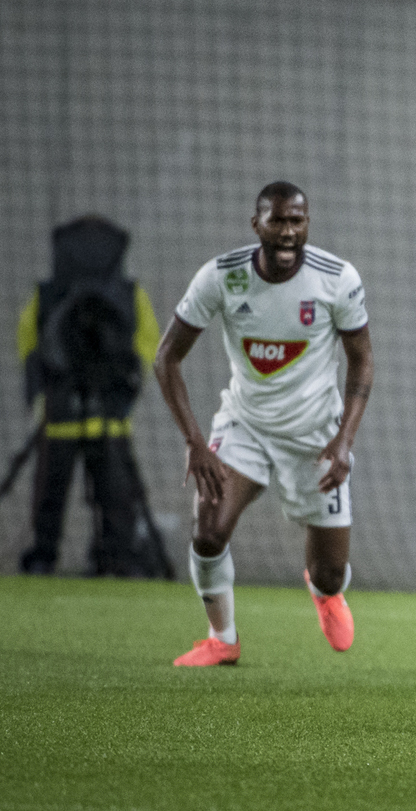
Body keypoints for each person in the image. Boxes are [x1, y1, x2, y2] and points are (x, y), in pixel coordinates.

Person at [153, 182, 374, 666]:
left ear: (307, 223)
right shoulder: (221, 276)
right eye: (278, 221)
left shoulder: (337, 278)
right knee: (208, 532)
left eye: (298, 220)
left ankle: (325, 591)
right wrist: (195, 441)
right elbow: (166, 358)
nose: (288, 231)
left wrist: (344, 440)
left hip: (315, 436)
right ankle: (222, 638)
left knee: (330, 571)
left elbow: (362, 361)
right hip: (245, 426)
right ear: (257, 225)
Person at [14, 216, 169, 577]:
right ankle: (116, 558)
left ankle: (45, 557)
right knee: (114, 494)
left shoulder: (47, 293)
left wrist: (41, 393)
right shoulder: (129, 294)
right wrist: (127, 390)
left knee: (54, 492)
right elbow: (148, 344)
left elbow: (29, 341)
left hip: (61, 414)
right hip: (108, 417)